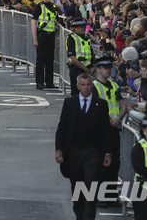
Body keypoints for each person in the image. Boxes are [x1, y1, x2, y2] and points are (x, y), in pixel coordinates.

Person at [55, 74, 113, 220]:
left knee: (90, 184)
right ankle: (79, 214)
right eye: (83, 85)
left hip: (93, 152)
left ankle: (88, 216)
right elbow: (62, 127)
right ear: (78, 86)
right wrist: (59, 149)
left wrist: (108, 153)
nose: (86, 87)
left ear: (91, 86)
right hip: (73, 151)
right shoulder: (70, 103)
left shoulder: (101, 104)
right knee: (76, 185)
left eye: (88, 85)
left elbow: (106, 131)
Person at [92, 56, 127, 205]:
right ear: (98, 69)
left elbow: (123, 106)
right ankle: (100, 197)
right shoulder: (93, 87)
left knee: (114, 164)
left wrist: (118, 118)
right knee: (101, 164)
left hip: (113, 131)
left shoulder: (114, 86)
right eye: (105, 67)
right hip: (100, 133)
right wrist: (109, 122)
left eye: (109, 67)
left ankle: (111, 196)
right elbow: (94, 109)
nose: (108, 70)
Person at [32, 0, 60, 90]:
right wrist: (35, 39)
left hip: (51, 35)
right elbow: (33, 23)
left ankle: (49, 82)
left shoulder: (54, 7)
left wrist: (57, 38)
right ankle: (39, 82)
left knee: (50, 59)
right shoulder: (39, 6)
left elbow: (56, 22)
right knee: (41, 59)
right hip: (41, 34)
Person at [66, 17, 93, 95]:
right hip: (77, 69)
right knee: (76, 94)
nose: (83, 28)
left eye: (84, 26)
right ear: (74, 28)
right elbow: (73, 58)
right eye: (81, 27)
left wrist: (93, 67)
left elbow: (91, 54)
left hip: (87, 69)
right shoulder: (72, 38)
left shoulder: (87, 38)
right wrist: (85, 68)